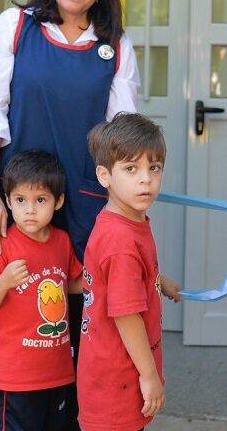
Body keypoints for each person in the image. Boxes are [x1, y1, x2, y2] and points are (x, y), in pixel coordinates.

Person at [0, 0, 139, 431]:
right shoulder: (15, 28)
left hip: (86, 206)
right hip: (16, 201)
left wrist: (130, 221)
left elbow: (123, 139)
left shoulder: (115, 46)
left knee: (79, 326)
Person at [78, 113, 180, 431]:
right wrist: (149, 376)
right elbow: (126, 314)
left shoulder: (126, 219)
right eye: (131, 169)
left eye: (154, 167)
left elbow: (124, 280)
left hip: (109, 370)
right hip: (119, 378)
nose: (145, 179)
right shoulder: (121, 240)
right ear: (104, 176)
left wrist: (157, 282)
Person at [0, 150, 82, 431]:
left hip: (57, 373)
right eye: (21, 200)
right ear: (8, 201)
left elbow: (70, 284)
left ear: (58, 202)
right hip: (15, 378)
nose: (30, 209)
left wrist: (109, 278)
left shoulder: (62, 241)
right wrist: (4, 281)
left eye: (40, 200)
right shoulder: (3, 244)